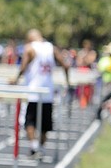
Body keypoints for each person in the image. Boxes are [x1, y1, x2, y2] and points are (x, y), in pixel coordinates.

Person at [11, 29, 70, 158]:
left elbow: (23, 66)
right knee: (45, 124)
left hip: (33, 91)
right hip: (48, 92)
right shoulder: (51, 48)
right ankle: (41, 148)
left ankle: (34, 146)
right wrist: (67, 82)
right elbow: (65, 65)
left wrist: (16, 79)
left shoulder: (30, 48)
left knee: (29, 122)